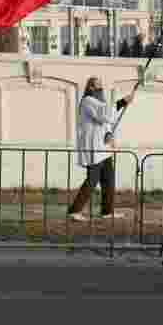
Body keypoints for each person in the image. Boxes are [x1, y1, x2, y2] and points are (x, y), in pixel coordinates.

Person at [68, 76, 135, 221]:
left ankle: (107, 211)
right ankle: (74, 211)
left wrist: (109, 134)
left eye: (100, 86)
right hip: (93, 148)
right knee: (92, 179)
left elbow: (106, 121)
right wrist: (122, 102)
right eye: (96, 86)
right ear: (89, 88)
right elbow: (104, 115)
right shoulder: (88, 101)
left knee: (108, 179)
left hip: (103, 147)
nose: (99, 89)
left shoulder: (100, 103)